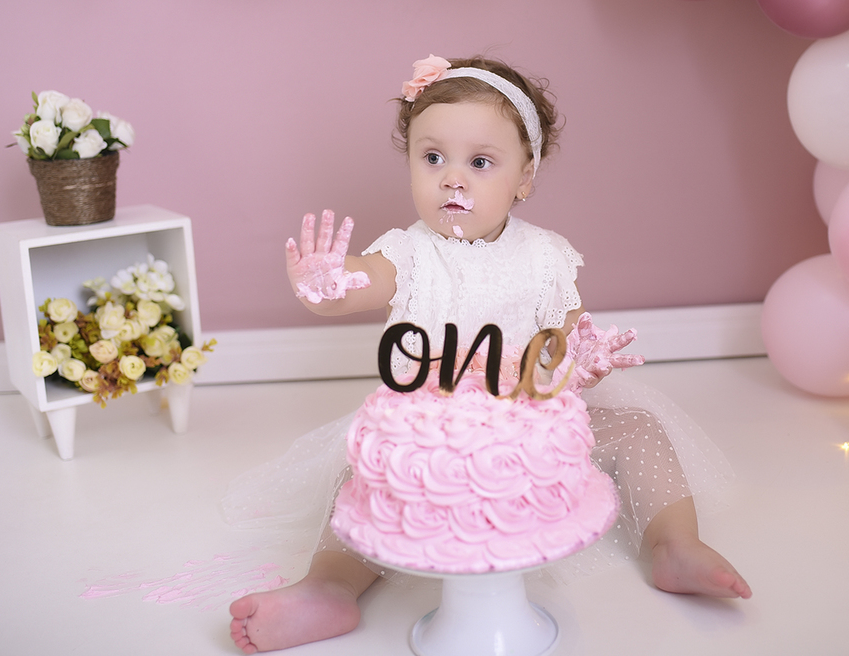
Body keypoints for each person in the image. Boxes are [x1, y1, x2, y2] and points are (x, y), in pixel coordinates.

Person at [228, 55, 751, 654]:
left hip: (529, 434)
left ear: (524, 177)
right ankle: (329, 588)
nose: (453, 179)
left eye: (480, 162)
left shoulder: (545, 255)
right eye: (432, 158)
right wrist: (325, 285)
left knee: (638, 429)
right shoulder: (409, 253)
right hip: (432, 443)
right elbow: (359, 283)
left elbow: (566, 330)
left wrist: (580, 356)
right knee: (365, 477)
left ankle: (674, 545)